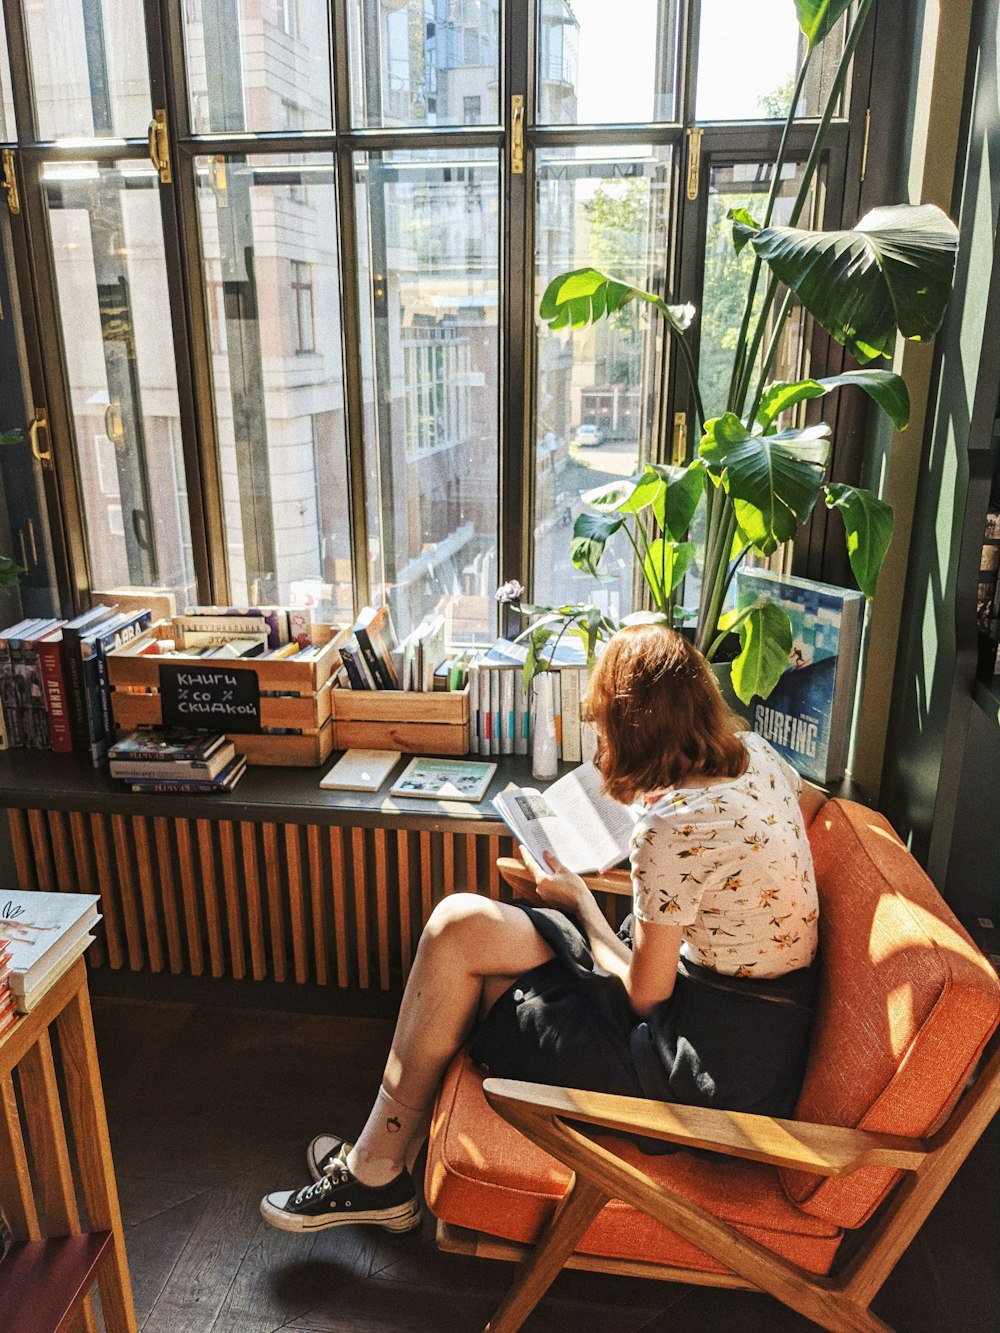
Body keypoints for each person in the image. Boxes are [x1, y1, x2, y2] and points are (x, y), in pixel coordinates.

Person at [261, 623, 824, 1235]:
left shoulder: (673, 829)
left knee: (489, 986)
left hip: (705, 1060)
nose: (601, 749)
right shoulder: (758, 756)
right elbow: (759, 839)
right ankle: (382, 1158)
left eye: (605, 732)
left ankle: (376, 1169)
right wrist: (659, 875)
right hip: (724, 1006)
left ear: (634, 730)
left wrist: (583, 901)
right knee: (459, 925)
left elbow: (645, 995)